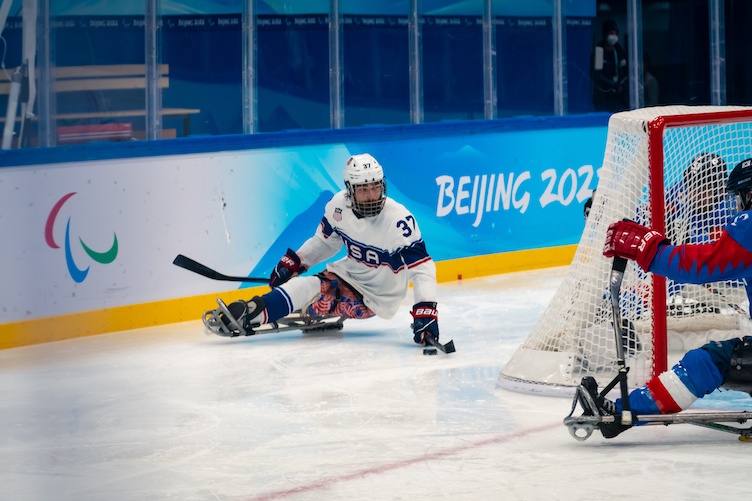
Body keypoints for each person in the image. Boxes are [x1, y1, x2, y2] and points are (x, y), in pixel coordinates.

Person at [580, 157, 752, 438]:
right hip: (718, 290)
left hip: (723, 291)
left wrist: (647, 249)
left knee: (708, 360)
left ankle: (622, 413)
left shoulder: (746, 222)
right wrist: (605, 212)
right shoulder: (679, 199)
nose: (737, 205)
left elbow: (704, 264)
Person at [203, 153, 441, 348]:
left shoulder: (399, 220)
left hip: (376, 297)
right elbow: (326, 242)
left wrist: (426, 310)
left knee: (309, 294)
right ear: (349, 190)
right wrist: (296, 261)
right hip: (347, 274)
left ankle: (256, 312)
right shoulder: (338, 206)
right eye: (362, 189)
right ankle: (249, 312)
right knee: (303, 286)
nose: (370, 196)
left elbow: (422, 269)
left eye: (374, 188)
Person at [592, 19, 628, 112]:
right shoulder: (599, 51)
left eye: (616, 34)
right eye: (611, 33)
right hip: (604, 94)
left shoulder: (619, 50)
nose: (614, 36)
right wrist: (612, 85)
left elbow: (624, 71)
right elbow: (598, 75)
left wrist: (620, 84)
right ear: (605, 34)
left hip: (618, 95)